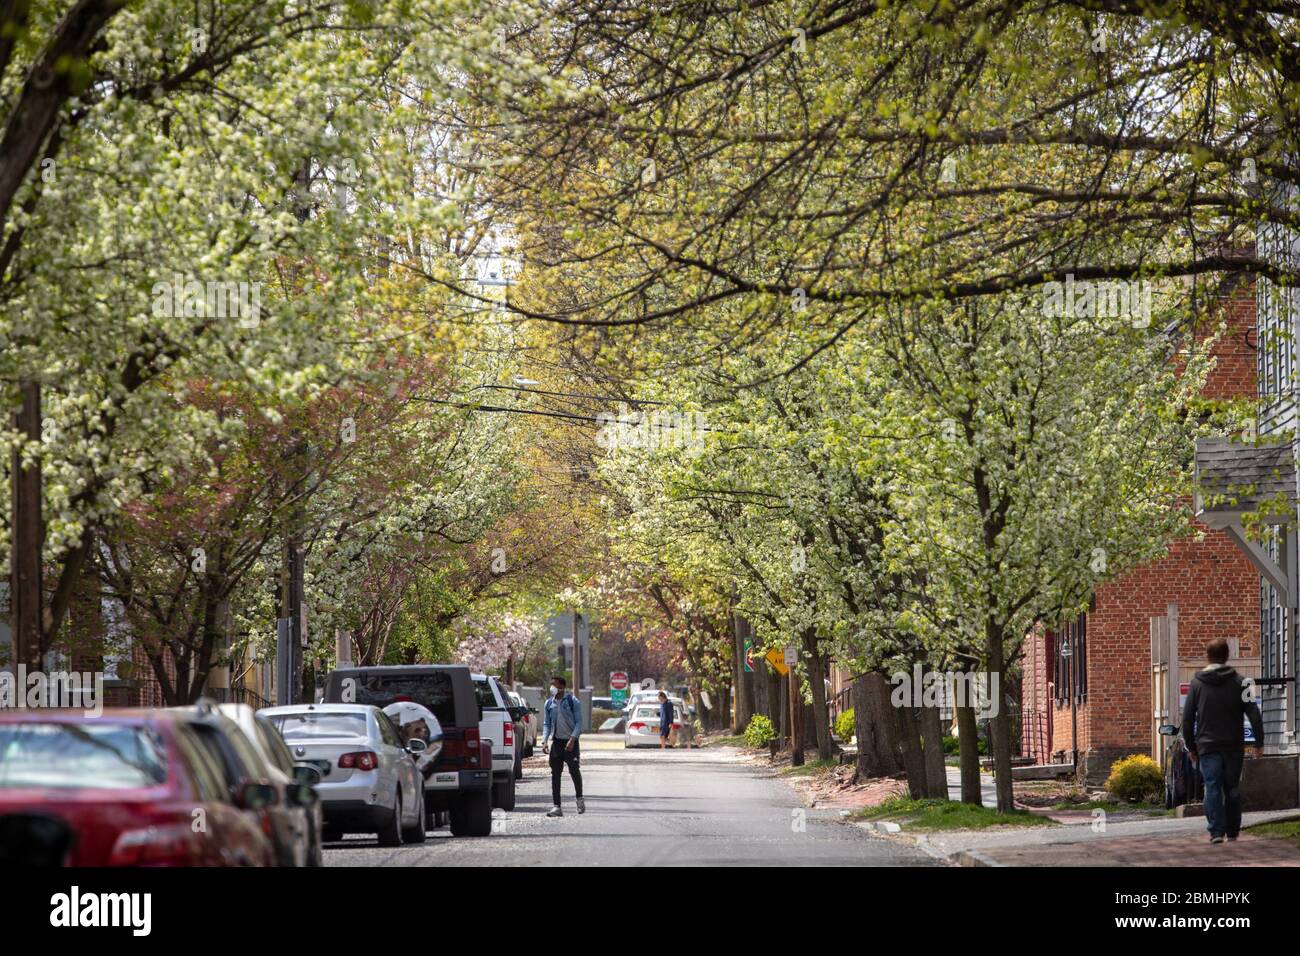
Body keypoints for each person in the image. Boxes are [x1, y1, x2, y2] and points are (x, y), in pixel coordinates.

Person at [1182, 637, 1263, 844]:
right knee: (1232, 787)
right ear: (1227, 656)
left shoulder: (1197, 683)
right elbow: (1253, 713)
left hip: (1207, 745)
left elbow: (1188, 717)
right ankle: (1233, 831)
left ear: (1207, 656)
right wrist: (1258, 742)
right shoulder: (1242, 682)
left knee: (1212, 786)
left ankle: (1216, 831)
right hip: (1233, 744)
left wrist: (1191, 745)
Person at [542, 675, 584, 817]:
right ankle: (557, 806)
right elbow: (547, 723)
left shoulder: (573, 701)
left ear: (561, 686)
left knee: (574, 770)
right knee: (555, 775)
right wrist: (544, 740)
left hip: (571, 742)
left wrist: (573, 739)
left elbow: (579, 723)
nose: (552, 687)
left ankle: (579, 798)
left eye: (554, 684)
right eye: (551, 684)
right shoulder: (549, 703)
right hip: (557, 742)